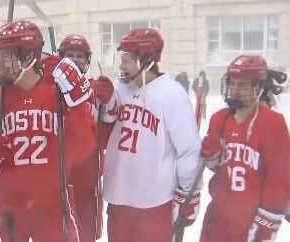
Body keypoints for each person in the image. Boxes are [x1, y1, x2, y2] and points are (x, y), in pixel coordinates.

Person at [0, 20, 96, 242]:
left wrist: (79, 106)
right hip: (3, 210)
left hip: (52, 207)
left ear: (29, 56)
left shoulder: (57, 95)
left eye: (7, 56)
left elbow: (83, 148)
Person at [96, 27, 202, 242]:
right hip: (120, 197)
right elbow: (107, 122)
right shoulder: (119, 88)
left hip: (156, 199)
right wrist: (105, 102)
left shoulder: (172, 94)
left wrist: (188, 192)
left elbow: (188, 149)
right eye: (121, 58)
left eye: (126, 59)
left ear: (146, 60)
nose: (121, 64)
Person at [199, 54, 290, 242]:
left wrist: (266, 224)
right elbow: (216, 166)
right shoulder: (219, 118)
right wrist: (210, 153)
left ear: (257, 87)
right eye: (232, 83)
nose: (234, 90)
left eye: (242, 85)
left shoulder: (273, 123)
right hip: (217, 216)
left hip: (250, 221)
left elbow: (278, 179)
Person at [58, 34, 104, 242]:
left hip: (89, 169)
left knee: (87, 228)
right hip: (63, 169)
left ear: (87, 60)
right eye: (69, 55)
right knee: (64, 228)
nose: (75, 60)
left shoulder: (95, 88)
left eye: (80, 56)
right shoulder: (52, 90)